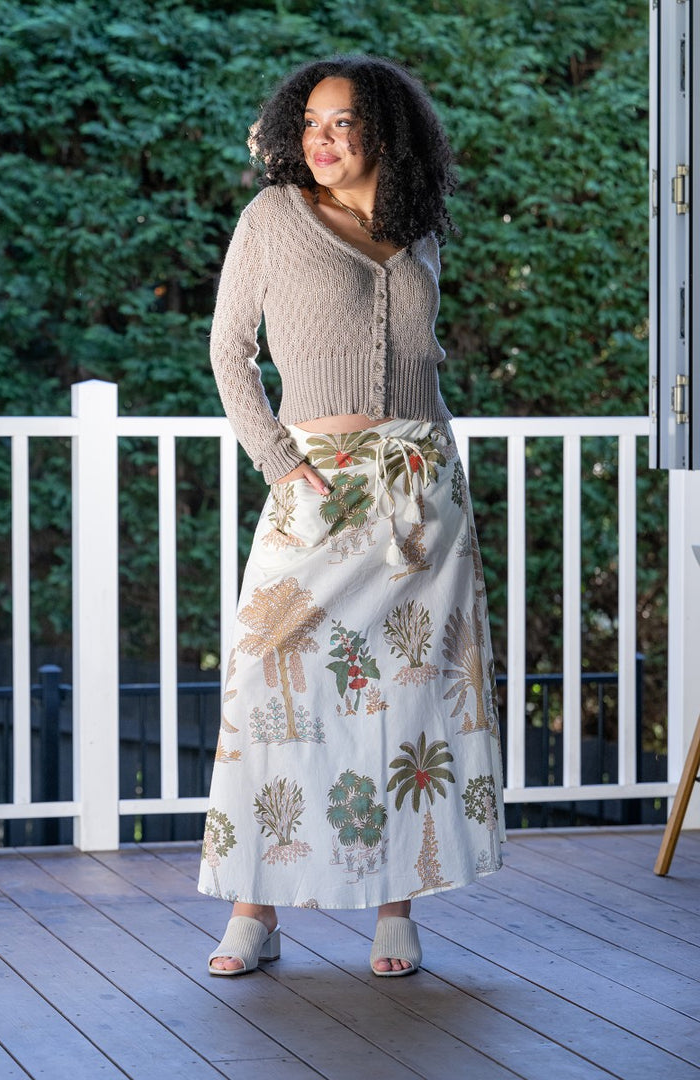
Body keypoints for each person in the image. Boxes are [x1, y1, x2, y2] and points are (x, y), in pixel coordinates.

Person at [198, 54, 505, 978]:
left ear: (384, 132)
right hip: (315, 486)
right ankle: (256, 909)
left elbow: (426, 368)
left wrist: (444, 476)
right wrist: (284, 465)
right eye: (311, 123)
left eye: (343, 123)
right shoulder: (271, 221)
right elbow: (228, 355)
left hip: (422, 495)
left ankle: (394, 910)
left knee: (405, 703)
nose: (322, 141)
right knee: (268, 688)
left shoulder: (419, 236)